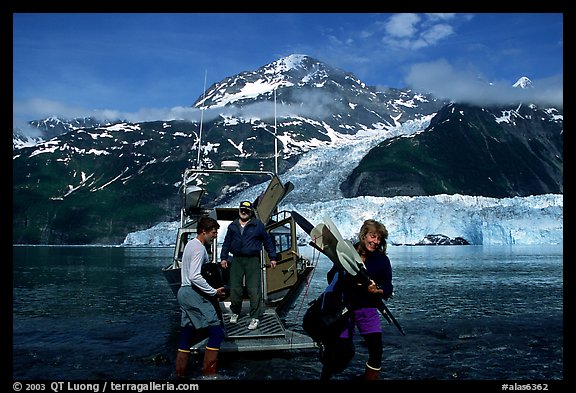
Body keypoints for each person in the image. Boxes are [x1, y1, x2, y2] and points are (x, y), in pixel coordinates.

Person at [320, 219, 393, 381]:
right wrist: (346, 277)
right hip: (344, 312)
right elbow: (330, 276)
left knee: (376, 351)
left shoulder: (381, 260)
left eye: (379, 238)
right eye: (372, 236)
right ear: (363, 235)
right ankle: (325, 378)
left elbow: (388, 287)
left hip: (367, 310)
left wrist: (377, 289)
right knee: (338, 350)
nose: (375, 242)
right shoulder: (346, 253)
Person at [176, 216, 227, 378]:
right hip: (193, 293)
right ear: (203, 231)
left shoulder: (190, 245)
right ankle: (209, 374)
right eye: (213, 232)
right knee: (217, 333)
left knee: (187, 333)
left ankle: (180, 374)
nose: (215, 235)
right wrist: (214, 292)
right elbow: (195, 276)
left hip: (183, 292)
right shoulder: (199, 248)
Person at [220, 200, 277, 330]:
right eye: (242, 210)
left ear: (250, 212)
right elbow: (226, 242)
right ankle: (235, 312)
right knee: (235, 288)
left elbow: (267, 241)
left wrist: (272, 257)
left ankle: (255, 317)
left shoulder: (258, 225)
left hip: (252, 260)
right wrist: (223, 258)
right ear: (239, 210)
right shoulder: (232, 226)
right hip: (237, 260)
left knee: (254, 289)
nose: (244, 212)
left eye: (247, 210)